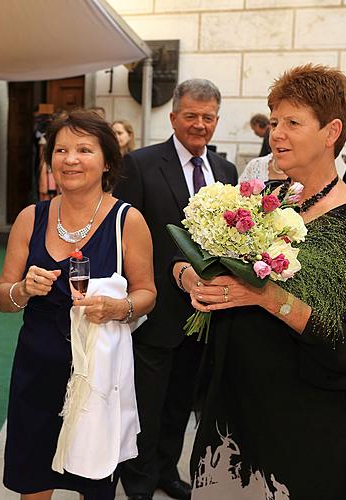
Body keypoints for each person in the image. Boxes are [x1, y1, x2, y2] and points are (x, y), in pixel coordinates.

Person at [175, 64, 346, 499]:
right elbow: (193, 258)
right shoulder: (261, 199)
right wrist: (192, 277)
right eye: (274, 122)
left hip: (301, 423)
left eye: (292, 122)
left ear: (332, 132)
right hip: (230, 408)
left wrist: (265, 296)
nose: (277, 134)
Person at [0, 109, 155, 499]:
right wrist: (23, 289)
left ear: (107, 161)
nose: (70, 159)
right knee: (33, 480)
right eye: (61, 150)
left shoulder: (127, 221)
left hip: (98, 375)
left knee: (95, 482)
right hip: (37, 372)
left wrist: (120, 309)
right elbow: (3, 297)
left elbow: (147, 293)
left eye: (84, 149)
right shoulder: (30, 218)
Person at [113, 79, 238, 500]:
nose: (199, 125)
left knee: (181, 401)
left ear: (217, 121)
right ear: (173, 118)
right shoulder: (140, 165)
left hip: (206, 312)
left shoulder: (226, 171)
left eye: (208, 117)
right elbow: (124, 239)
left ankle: (167, 469)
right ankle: (139, 478)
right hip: (156, 309)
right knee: (147, 401)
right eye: (191, 116)